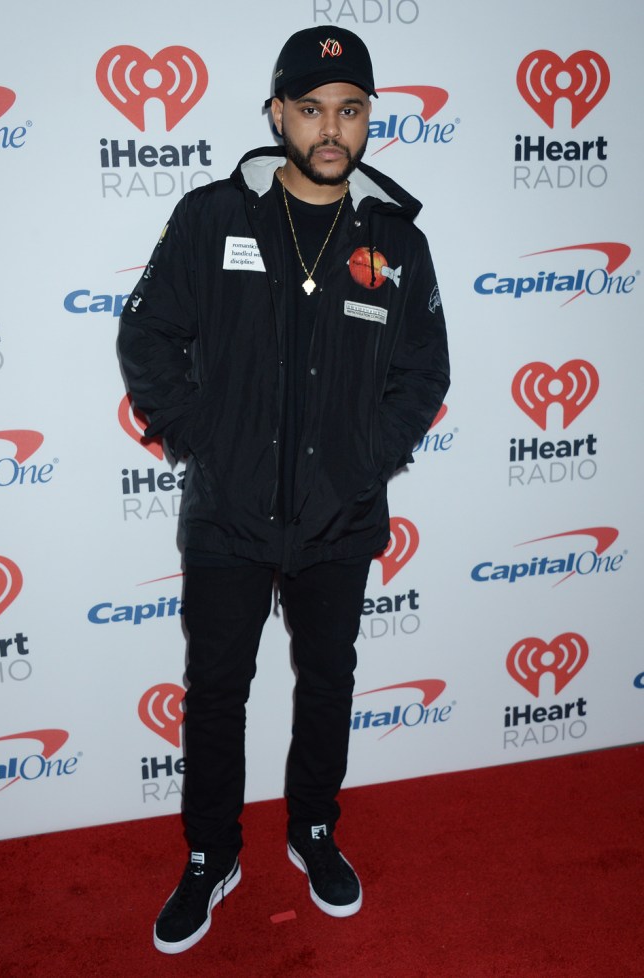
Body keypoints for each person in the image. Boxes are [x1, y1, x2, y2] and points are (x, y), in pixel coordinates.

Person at [118, 25, 450, 955]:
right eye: (311, 110)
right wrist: (203, 440)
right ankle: (209, 853)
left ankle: (312, 830)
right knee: (218, 688)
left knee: (329, 681)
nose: (331, 128)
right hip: (227, 514)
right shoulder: (211, 217)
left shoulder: (395, 240)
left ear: (369, 119)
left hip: (340, 518)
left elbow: (424, 373)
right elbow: (147, 336)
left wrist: (359, 463)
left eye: (349, 111)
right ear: (278, 115)